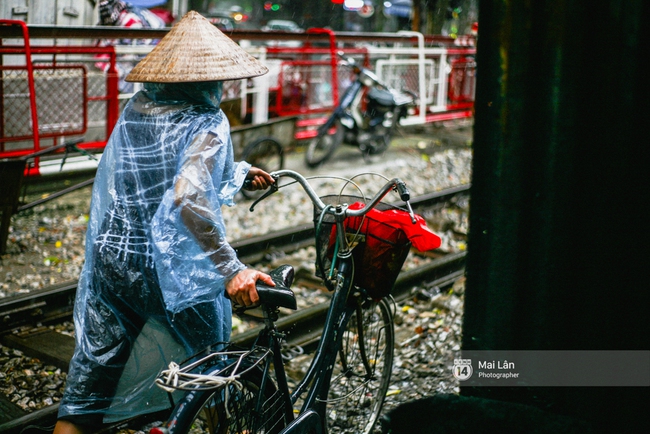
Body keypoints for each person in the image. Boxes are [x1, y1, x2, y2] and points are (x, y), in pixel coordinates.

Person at [54, 11, 274, 434]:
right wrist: (231, 269)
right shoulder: (209, 121)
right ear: (213, 78)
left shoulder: (137, 108)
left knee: (89, 383)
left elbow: (155, 170)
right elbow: (188, 195)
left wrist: (239, 173)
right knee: (211, 369)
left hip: (113, 259)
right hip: (169, 271)